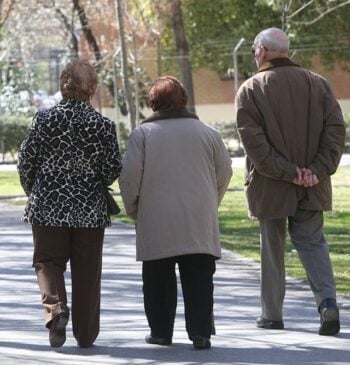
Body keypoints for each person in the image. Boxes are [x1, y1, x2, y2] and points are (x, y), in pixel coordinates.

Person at [235, 27, 346, 336]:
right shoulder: (318, 85)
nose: (255, 54)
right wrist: (315, 170)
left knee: (272, 248)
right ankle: (327, 303)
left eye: (256, 49)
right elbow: (336, 132)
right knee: (313, 243)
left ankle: (272, 314)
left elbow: (254, 144)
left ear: (263, 51)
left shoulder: (250, 89)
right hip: (313, 183)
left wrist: (288, 172)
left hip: (271, 185)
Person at [119, 76, 232, 349]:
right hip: (198, 216)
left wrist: (134, 208)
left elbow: (129, 176)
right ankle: (201, 332)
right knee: (200, 278)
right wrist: (210, 201)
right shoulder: (208, 133)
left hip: (157, 216)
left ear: (153, 103)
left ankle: (160, 331)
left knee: (157, 278)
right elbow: (225, 172)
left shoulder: (142, 135)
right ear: (184, 100)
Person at [17, 60, 122, 348]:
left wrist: (34, 190)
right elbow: (113, 167)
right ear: (92, 87)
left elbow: (26, 161)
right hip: (89, 209)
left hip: (48, 204)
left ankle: (56, 311)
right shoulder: (103, 125)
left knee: (48, 262)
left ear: (63, 84)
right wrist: (92, 179)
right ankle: (86, 335)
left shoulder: (44, 120)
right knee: (88, 270)